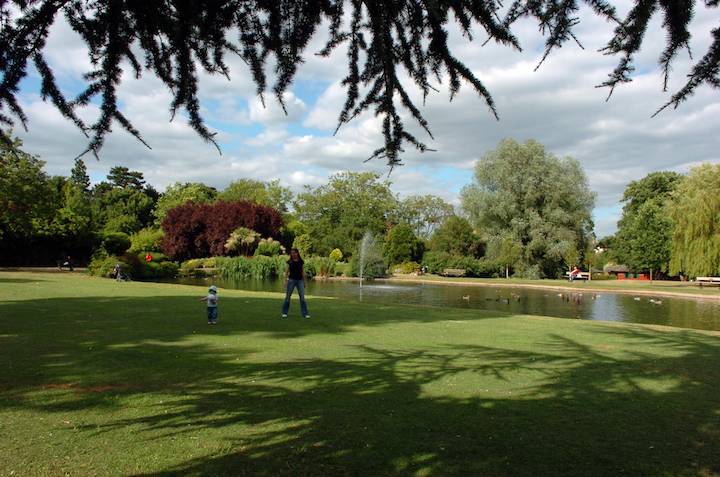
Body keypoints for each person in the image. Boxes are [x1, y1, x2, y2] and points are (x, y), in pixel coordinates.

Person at [282, 248, 310, 319]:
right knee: (288, 297)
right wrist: (285, 281)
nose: (293, 254)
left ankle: (305, 314)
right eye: (291, 253)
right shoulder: (289, 262)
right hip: (291, 280)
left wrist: (305, 282)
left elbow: (302, 272)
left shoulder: (301, 261)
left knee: (302, 298)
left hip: (300, 280)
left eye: (294, 253)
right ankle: (284, 312)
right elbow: (286, 272)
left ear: (297, 253)